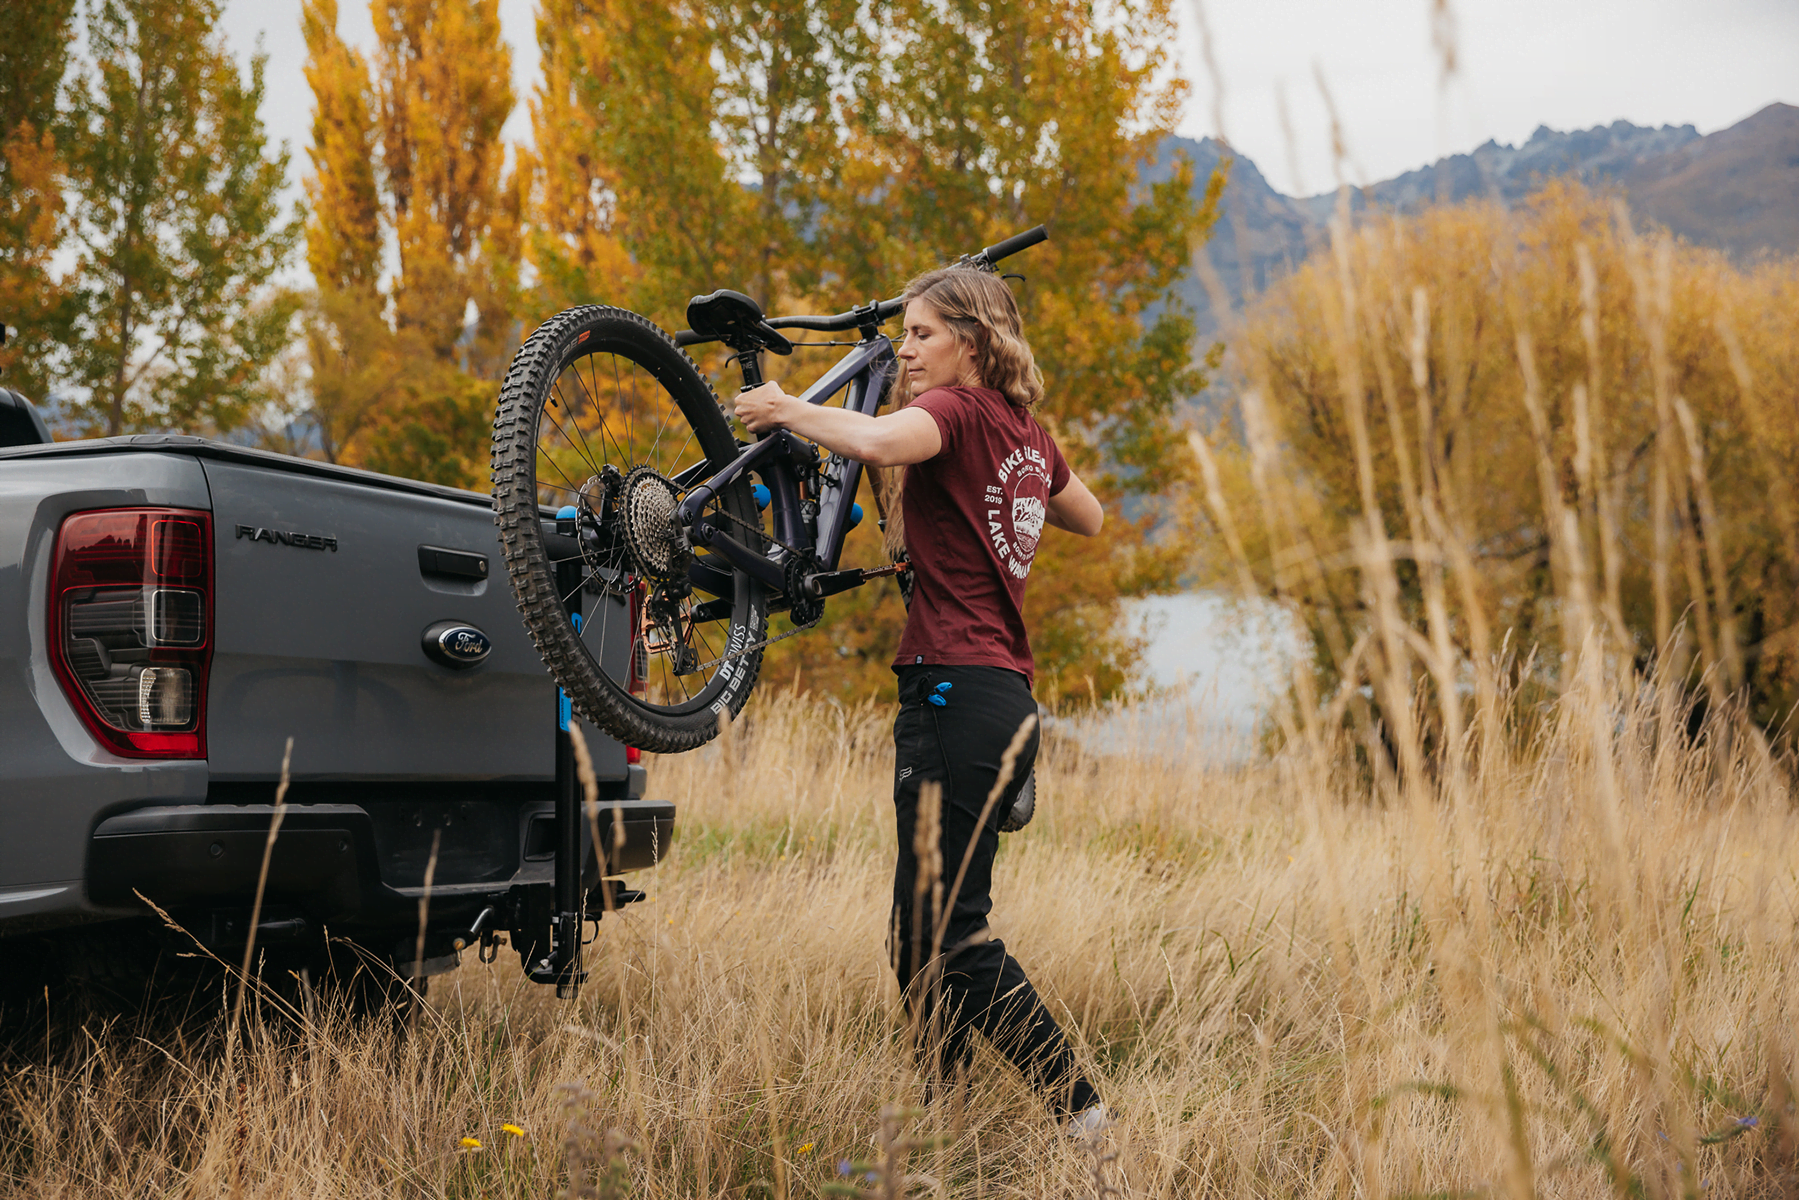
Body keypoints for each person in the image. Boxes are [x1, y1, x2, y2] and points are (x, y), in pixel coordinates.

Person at [733, 266, 1109, 1135]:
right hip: (998, 694)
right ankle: (947, 1112)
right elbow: (1085, 515)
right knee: (916, 933)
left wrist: (788, 409)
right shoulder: (1022, 430)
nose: (905, 350)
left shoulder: (951, 412)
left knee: (954, 937)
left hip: (953, 691)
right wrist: (1012, 489)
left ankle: (1084, 1116)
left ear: (971, 344)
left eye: (922, 333)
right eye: (902, 334)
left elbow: (875, 444)